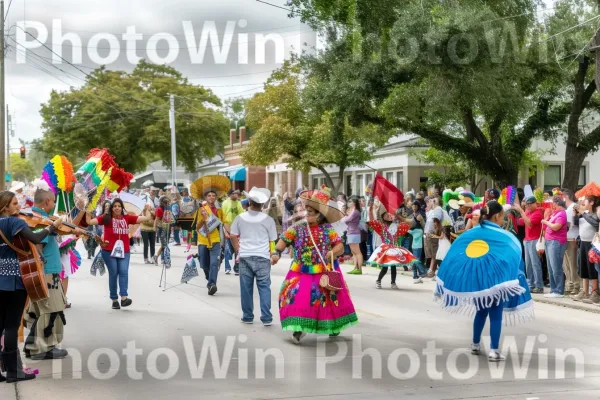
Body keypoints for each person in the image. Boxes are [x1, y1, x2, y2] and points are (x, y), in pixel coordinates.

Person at [435, 200, 534, 362]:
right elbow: (514, 252)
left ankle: (475, 344)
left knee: (481, 311)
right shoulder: (503, 236)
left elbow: (457, 247)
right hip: (495, 281)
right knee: (496, 315)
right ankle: (494, 350)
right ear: (496, 217)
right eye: (502, 217)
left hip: (480, 281)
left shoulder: (472, 232)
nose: (503, 221)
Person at [274, 187, 358, 343]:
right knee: (294, 296)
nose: (307, 214)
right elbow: (283, 241)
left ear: (320, 215)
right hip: (299, 271)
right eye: (306, 211)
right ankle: (298, 328)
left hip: (322, 271)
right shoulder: (297, 228)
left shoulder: (327, 229)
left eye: (311, 212)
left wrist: (331, 253)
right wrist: (276, 254)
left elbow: (339, 246)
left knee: (328, 301)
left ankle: (333, 326)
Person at [0, 190, 63, 382]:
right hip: (15, 280)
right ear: (5, 208)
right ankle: (13, 371)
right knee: (11, 326)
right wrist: (53, 226)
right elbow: (36, 239)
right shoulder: (14, 222)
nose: (19, 207)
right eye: (14, 204)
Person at [23, 185, 85, 361]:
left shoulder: (42, 218)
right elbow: (37, 245)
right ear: (48, 201)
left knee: (45, 309)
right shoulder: (38, 220)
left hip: (49, 270)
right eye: (53, 201)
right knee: (51, 309)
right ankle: (40, 348)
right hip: (47, 271)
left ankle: (33, 345)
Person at [86, 198, 151, 309]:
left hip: (124, 251)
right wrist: (87, 209)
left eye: (119, 206)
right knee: (114, 273)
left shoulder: (127, 218)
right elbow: (89, 222)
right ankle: (114, 299)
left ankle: (124, 298)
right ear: (112, 208)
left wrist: (147, 209)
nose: (117, 208)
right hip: (108, 251)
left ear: (122, 208)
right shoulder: (105, 218)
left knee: (124, 271)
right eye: (115, 206)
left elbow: (146, 218)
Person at [230, 187, 278, 326]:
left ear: (249, 201)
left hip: (245, 257)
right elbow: (272, 241)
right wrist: (273, 254)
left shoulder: (240, 218)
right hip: (263, 257)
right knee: (264, 287)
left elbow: (233, 235)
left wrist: (237, 249)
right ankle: (267, 317)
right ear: (262, 204)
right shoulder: (268, 219)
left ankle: (247, 316)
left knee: (246, 288)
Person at [367, 202, 421, 289]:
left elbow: (410, 224)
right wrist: (370, 211)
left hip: (395, 248)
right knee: (385, 267)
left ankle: (393, 282)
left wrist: (399, 216)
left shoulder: (397, 226)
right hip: (386, 249)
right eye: (386, 215)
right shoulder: (381, 226)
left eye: (390, 215)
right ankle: (378, 280)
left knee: (393, 266)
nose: (389, 216)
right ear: (383, 217)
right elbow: (372, 221)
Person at [193, 189, 225, 296]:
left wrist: (230, 234)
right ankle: (209, 277)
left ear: (215, 198)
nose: (211, 197)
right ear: (205, 198)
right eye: (209, 195)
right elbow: (197, 227)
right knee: (204, 265)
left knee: (214, 263)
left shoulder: (219, 211)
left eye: (213, 195)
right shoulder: (200, 210)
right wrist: (203, 218)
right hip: (203, 240)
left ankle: (212, 284)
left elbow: (224, 224)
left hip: (215, 240)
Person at [571, 196, 600, 303]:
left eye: (586, 201)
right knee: (583, 267)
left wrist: (583, 212)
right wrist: (576, 213)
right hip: (582, 243)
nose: (583, 202)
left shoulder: (594, 215)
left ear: (592, 202)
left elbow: (595, 223)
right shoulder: (584, 215)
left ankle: (595, 292)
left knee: (592, 268)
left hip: (592, 244)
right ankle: (584, 291)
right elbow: (575, 223)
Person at [513, 197, 544, 294]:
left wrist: (521, 211)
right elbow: (521, 222)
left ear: (536, 204)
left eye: (531, 204)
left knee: (535, 263)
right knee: (528, 264)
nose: (529, 206)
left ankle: (539, 285)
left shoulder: (538, 213)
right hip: (527, 240)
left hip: (534, 240)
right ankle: (530, 284)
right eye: (527, 204)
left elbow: (529, 223)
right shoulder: (527, 211)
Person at [542, 195, 568, 298]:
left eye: (553, 203)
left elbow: (556, 227)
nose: (552, 206)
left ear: (556, 204)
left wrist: (546, 222)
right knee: (550, 267)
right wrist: (547, 217)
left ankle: (558, 290)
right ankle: (553, 289)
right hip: (549, 241)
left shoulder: (562, 214)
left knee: (556, 266)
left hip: (556, 242)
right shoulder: (555, 213)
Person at [562, 189, 582, 295]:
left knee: (572, 262)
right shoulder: (567, 208)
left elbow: (572, 223)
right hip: (566, 237)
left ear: (566, 197)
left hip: (572, 237)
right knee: (566, 263)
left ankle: (576, 284)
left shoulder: (574, 207)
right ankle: (570, 283)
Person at [221, 190, 244, 275]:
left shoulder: (239, 203)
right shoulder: (225, 203)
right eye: (234, 193)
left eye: (237, 193)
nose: (236, 195)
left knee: (237, 249)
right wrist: (225, 229)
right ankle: (227, 267)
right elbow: (222, 216)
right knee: (228, 249)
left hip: (237, 229)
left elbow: (242, 215)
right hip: (228, 228)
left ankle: (237, 267)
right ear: (230, 194)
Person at [344, 198, 364, 275]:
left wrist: (346, 216)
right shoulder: (353, 211)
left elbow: (346, 220)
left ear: (354, 203)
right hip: (351, 232)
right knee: (353, 252)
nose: (349, 203)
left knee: (357, 252)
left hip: (354, 233)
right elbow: (347, 221)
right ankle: (355, 268)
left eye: (350, 201)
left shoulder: (355, 212)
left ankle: (359, 269)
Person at [153, 196, 173, 269]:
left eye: (168, 202)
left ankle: (156, 257)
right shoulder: (159, 209)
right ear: (162, 202)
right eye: (166, 202)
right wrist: (154, 227)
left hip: (167, 228)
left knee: (164, 245)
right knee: (166, 246)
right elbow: (156, 219)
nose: (167, 203)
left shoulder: (167, 209)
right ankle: (167, 262)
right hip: (161, 229)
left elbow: (170, 219)